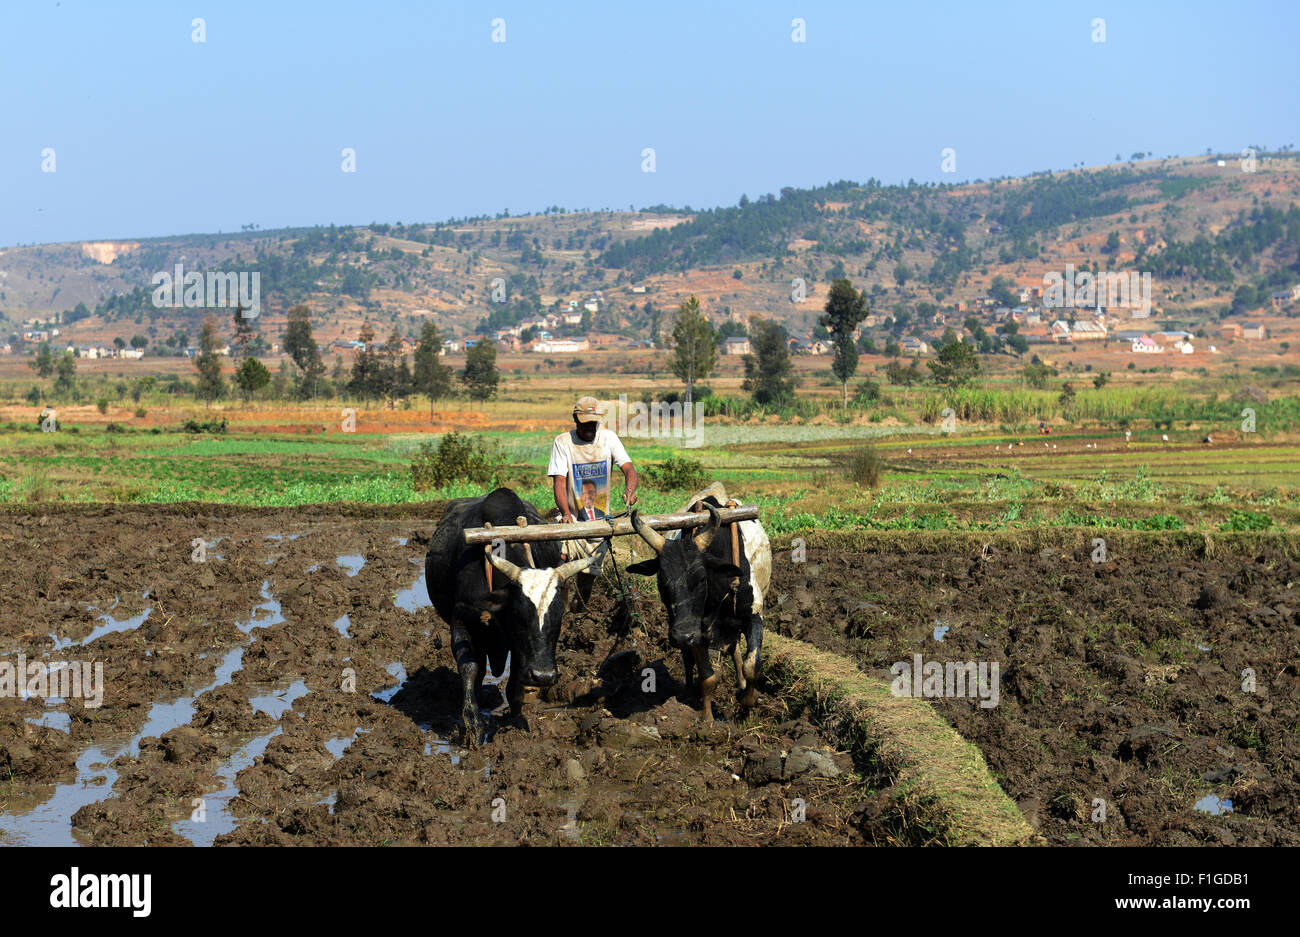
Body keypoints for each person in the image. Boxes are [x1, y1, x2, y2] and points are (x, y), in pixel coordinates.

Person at [547, 396, 638, 602]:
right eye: (585, 422)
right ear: (576, 420)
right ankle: (559, 610)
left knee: (588, 578)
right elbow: (559, 482)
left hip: (598, 525)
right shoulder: (563, 442)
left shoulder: (609, 439)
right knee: (560, 568)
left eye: (593, 423)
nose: (589, 427)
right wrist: (566, 515)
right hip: (572, 522)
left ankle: (581, 611)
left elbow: (629, 470)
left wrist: (629, 490)